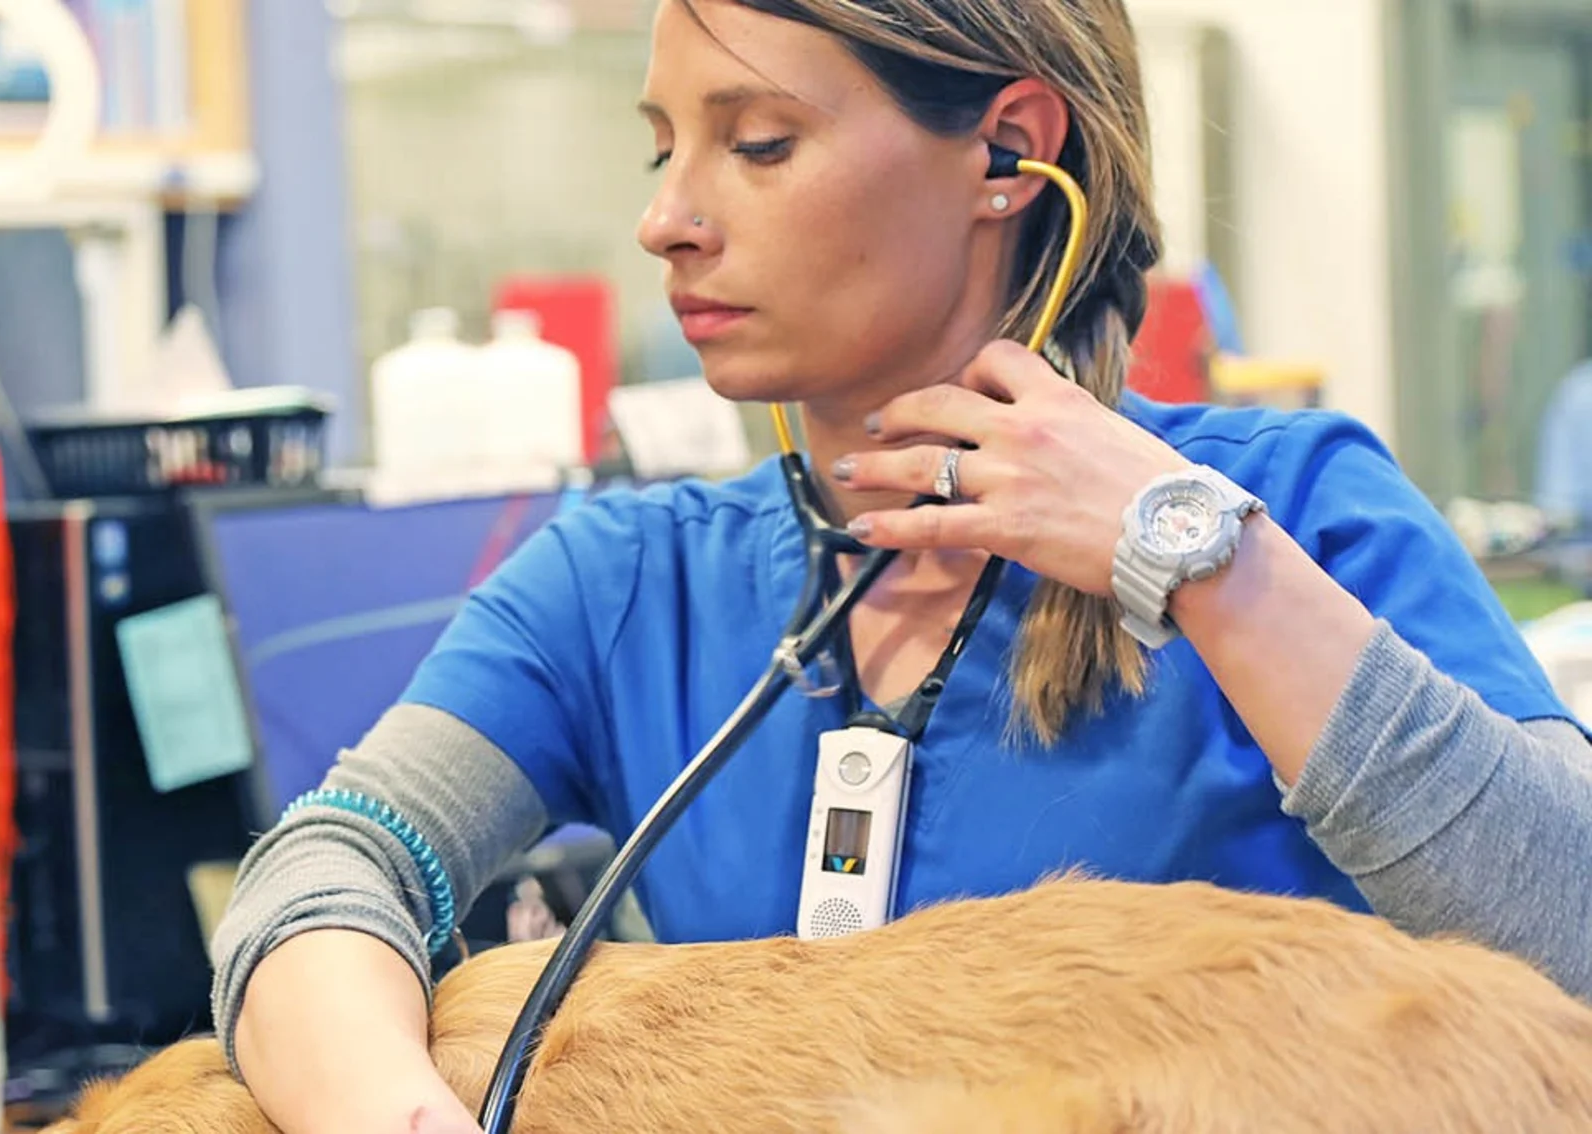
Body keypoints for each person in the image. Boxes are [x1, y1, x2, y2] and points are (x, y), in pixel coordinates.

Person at [205, 2, 1592, 1132]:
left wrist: (1193, 558)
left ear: (1005, 152)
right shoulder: (625, 581)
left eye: (755, 144)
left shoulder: (1289, 506)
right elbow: (326, 869)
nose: (666, 219)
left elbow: (1572, 935)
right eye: (659, 150)